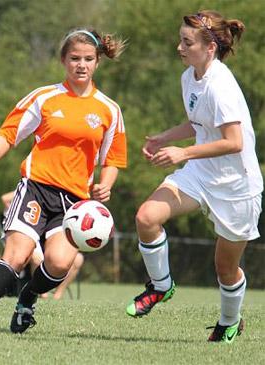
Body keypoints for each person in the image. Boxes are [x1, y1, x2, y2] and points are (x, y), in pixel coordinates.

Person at [0, 28, 127, 335]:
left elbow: (114, 158)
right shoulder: (44, 97)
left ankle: (27, 297)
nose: (82, 65)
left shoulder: (109, 109)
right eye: (75, 58)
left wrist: (106, 182)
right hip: (36, 189)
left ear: (97, 62)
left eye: (88, 59)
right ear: (63, 60)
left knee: (58, 263)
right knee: (15, 256)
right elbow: (8, 133)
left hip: (74, 203)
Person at [126, 10, 263, 344]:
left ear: (210, 48)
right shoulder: (190, 76)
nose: (179, 47)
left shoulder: (222, 86)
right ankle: (161, 286)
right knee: (146, 216)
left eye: (187, 42)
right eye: (181, 40)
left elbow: (234, 141)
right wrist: (165, 137)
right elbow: (199, 123)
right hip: (201, 173)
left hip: (237, 187)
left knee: (225, 269)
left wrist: (183, 153)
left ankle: (229, 322)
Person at [1, 191, 84, 300]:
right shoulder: (31, 188)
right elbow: (5, 198)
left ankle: (57, 297)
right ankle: (41, 295)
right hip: (31, 236)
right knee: (37, 258)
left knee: (78, 259)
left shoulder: (64, 196)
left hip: (49, 240)